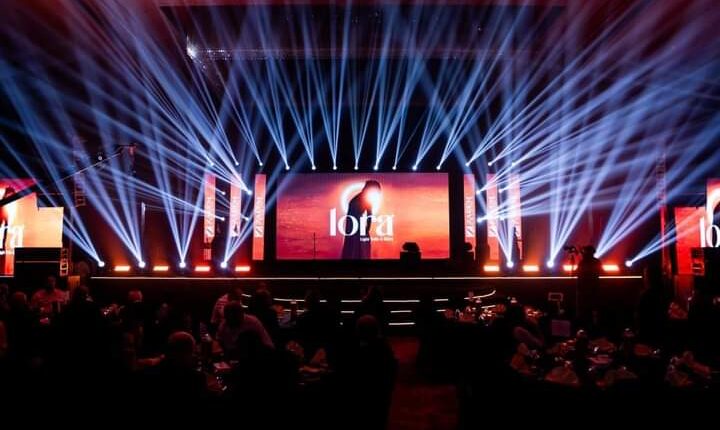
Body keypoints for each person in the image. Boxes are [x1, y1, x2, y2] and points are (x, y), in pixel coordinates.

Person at [336, 315, 397, 430]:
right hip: (380, 399)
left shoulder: (356, 352)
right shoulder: (384, 349)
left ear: (358, 331)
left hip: (363, 398)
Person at [138, 331, 208, 402]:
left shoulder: (149, 372)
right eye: (193, 352)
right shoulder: (197, 378)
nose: (194, 356)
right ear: (187, 353)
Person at [342, 180, 382, 260]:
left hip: (354, 226)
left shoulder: (360, 197)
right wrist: (367, 228)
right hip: (355, 226)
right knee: (357, 248)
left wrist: (367, 228)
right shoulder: (363, 198)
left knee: (355, 248)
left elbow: (369, 214)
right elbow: (369, 214)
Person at [576, 245, 602, 328]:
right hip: (592, 288)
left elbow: (578, 273)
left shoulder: (584, 262)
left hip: (586, 289)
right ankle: (593, 326)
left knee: (585, 310)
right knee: (592, 309)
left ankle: (584, 326)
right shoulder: (596, 261)